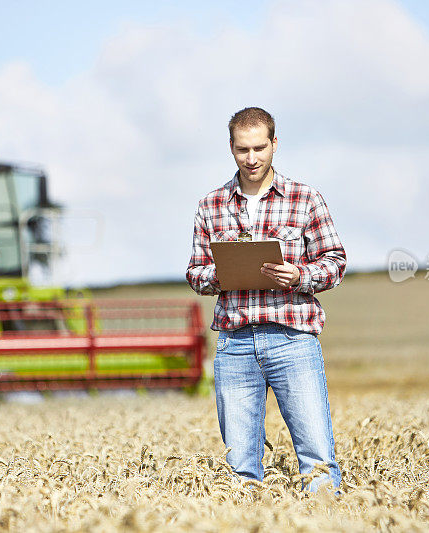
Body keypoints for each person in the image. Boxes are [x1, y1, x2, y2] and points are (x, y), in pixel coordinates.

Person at [186, 107, 347, 492]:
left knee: (317, 458)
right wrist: (218, 277)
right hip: (235, 343)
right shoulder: (211, 205)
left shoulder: (305, 198)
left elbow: (336, 261)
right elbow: (195, 272)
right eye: (243, 150)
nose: (252, 158)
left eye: (260, 147)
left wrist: (300, 275)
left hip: (292, 338)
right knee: (241, 466)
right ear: (231, 148)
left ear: (275, 144)